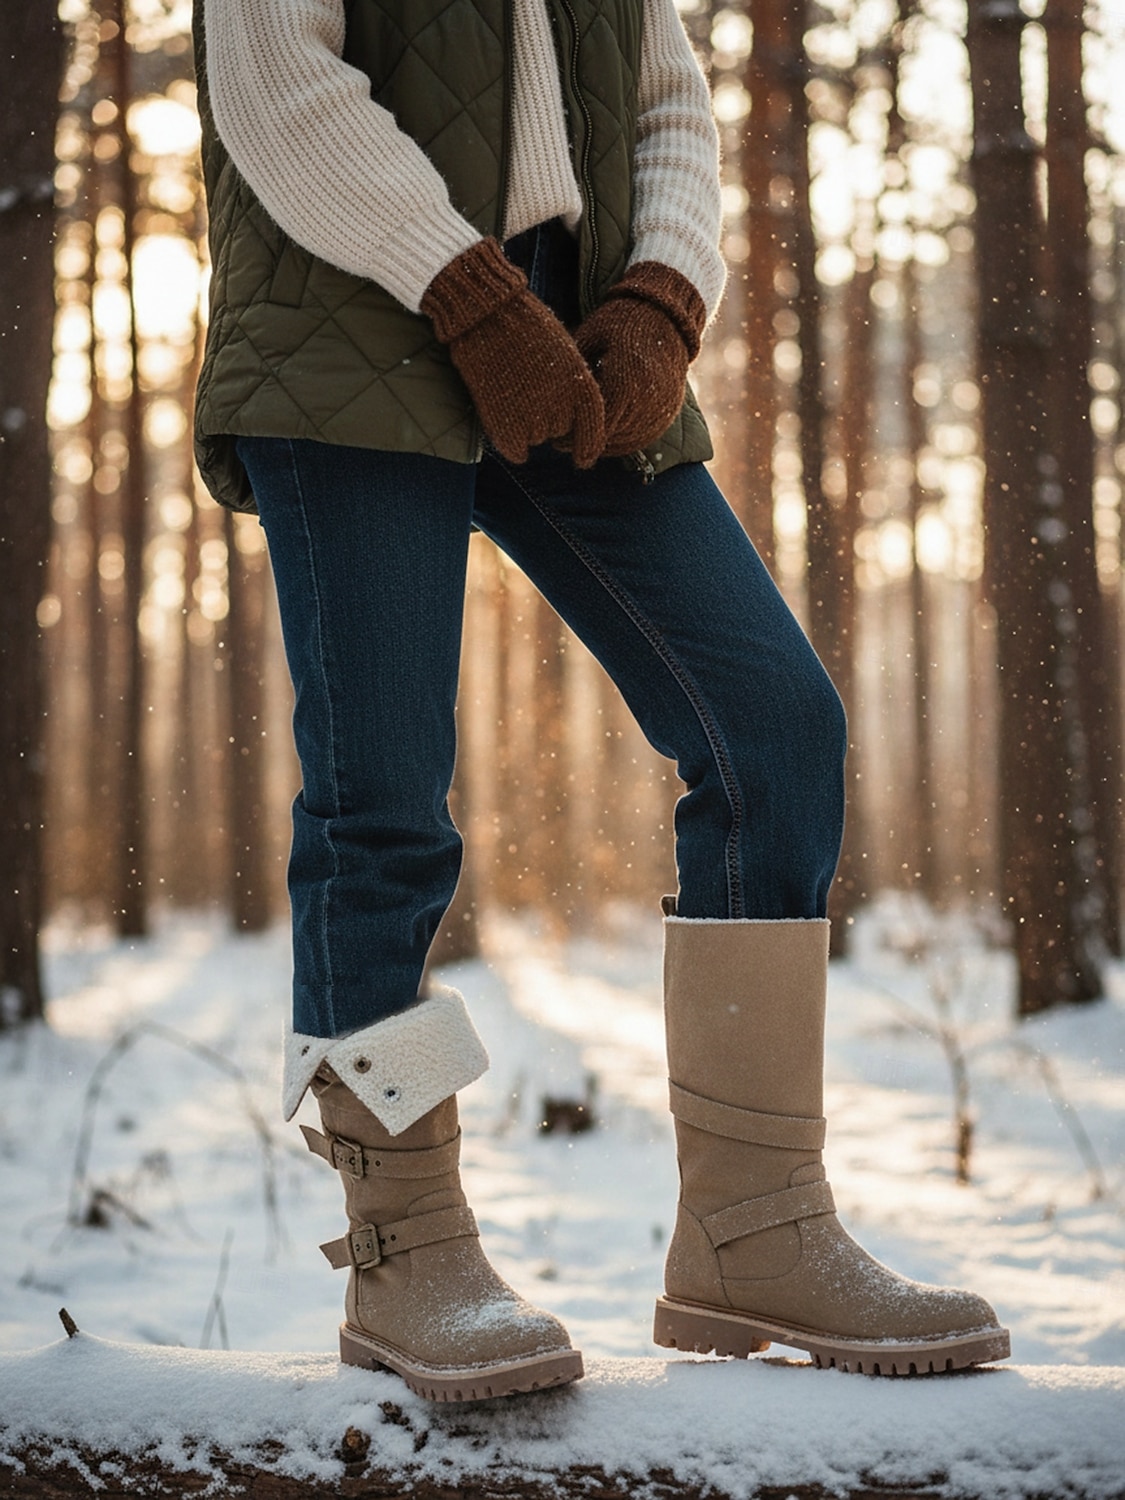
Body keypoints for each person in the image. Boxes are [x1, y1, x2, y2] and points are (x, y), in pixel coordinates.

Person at [192, 0, 1010, 1401]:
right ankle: (409, 1248)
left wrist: (660, 299)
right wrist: (461, 288)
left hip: (576, 330)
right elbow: (272, 81)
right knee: (384, 804)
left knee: (773, 730)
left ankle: (754, 1229)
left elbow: (666, 105)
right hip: (352, 314)